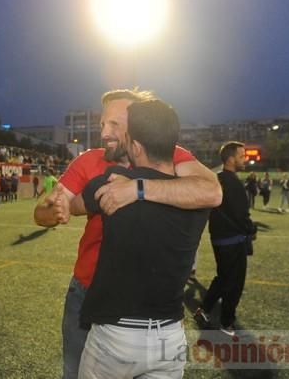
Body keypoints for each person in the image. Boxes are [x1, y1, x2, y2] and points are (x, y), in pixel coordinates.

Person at [34, 88, 222, 379]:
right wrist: (57, 212)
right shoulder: (88, 162)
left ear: (136, 128)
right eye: (102, 125)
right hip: (87, 290)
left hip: (144, 305)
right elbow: (43, 211)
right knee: (72, 371)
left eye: (114, 125)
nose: (104, 133)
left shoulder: (172, 156)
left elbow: (212, 190)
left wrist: (137, 189)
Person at [77, 100, 210, 378]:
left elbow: (73, 204)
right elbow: (210, 189)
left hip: (116, 335)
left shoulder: (113, 181)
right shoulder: (197, 196)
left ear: (135, 146)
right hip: (169, 336)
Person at [195, 141, 257, 336]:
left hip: (219, 238)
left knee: (223, 278)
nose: (244, 159)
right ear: (231, 159)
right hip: (233, 240)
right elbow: (241, 215)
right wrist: (251, 229)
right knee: (234, 283)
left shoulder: (216, 179)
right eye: (241, 156)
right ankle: (227, 323)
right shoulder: (232, 182)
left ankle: (203, 310)